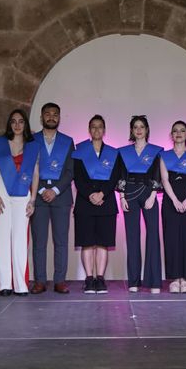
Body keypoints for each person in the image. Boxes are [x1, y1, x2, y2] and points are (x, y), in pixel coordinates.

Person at [0, 109, 40, 296]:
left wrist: (33, 200)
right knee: (1, 238)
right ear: (9, 124)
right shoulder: (0, 144)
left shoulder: (33, 147)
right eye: (13, 121)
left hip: (23, 194)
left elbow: (36, 174)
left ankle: (21, 285)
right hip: (2, 192)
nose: (17, 125)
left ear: (25, 125)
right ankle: (5, 284)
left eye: (21, 121)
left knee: (20, 240)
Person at [72, 115, 119, 294]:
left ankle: (100, 279)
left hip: (106, 203)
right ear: (89, 130)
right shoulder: (80, 152)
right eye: (93, 127)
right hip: (85, 202)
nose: (97, 130)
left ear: (104, 130)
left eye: (100, 127)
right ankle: (89, 279)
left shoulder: (113, 153)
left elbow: (115, 177)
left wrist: (102, 194)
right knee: (87, 243)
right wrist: (90, 194)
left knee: (102, 243)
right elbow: (78, 178)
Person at [30, 102, 75, 294]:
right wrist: (41, 191)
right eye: (47, 114)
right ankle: (40, 281)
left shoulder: (67, 140)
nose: (51, 117)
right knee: (39, 241)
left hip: (61, 196)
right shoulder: (31, 140)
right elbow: (28, 170)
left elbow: (70, 171)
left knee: (61, 241)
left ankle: (60, 281)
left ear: (59, 117)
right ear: (42, 118)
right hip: (38, 197)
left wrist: (54, 190)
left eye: (55, 114)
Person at [117, 115, 163, 293]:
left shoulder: (156, 151)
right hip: (129, 194)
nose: (138, 130)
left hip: (149, 194)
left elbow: (157, 174)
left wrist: (153, 194)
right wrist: (122, 197)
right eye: (135, 127)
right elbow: (121, 175)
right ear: (131, 130)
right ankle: (134, 281)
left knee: (153, 236)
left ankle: (154, 282)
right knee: (132, 237)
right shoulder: (124, 152)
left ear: (147, 130)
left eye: (142, 126)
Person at [159, 121, 186, 294]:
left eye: (182, 131)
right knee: (171, 239)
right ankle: (174, 278)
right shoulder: (164, 156)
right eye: (175, 131)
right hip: (171, 201)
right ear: (171, 135)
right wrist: (175, 200)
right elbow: (164, 179)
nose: (178, 133)